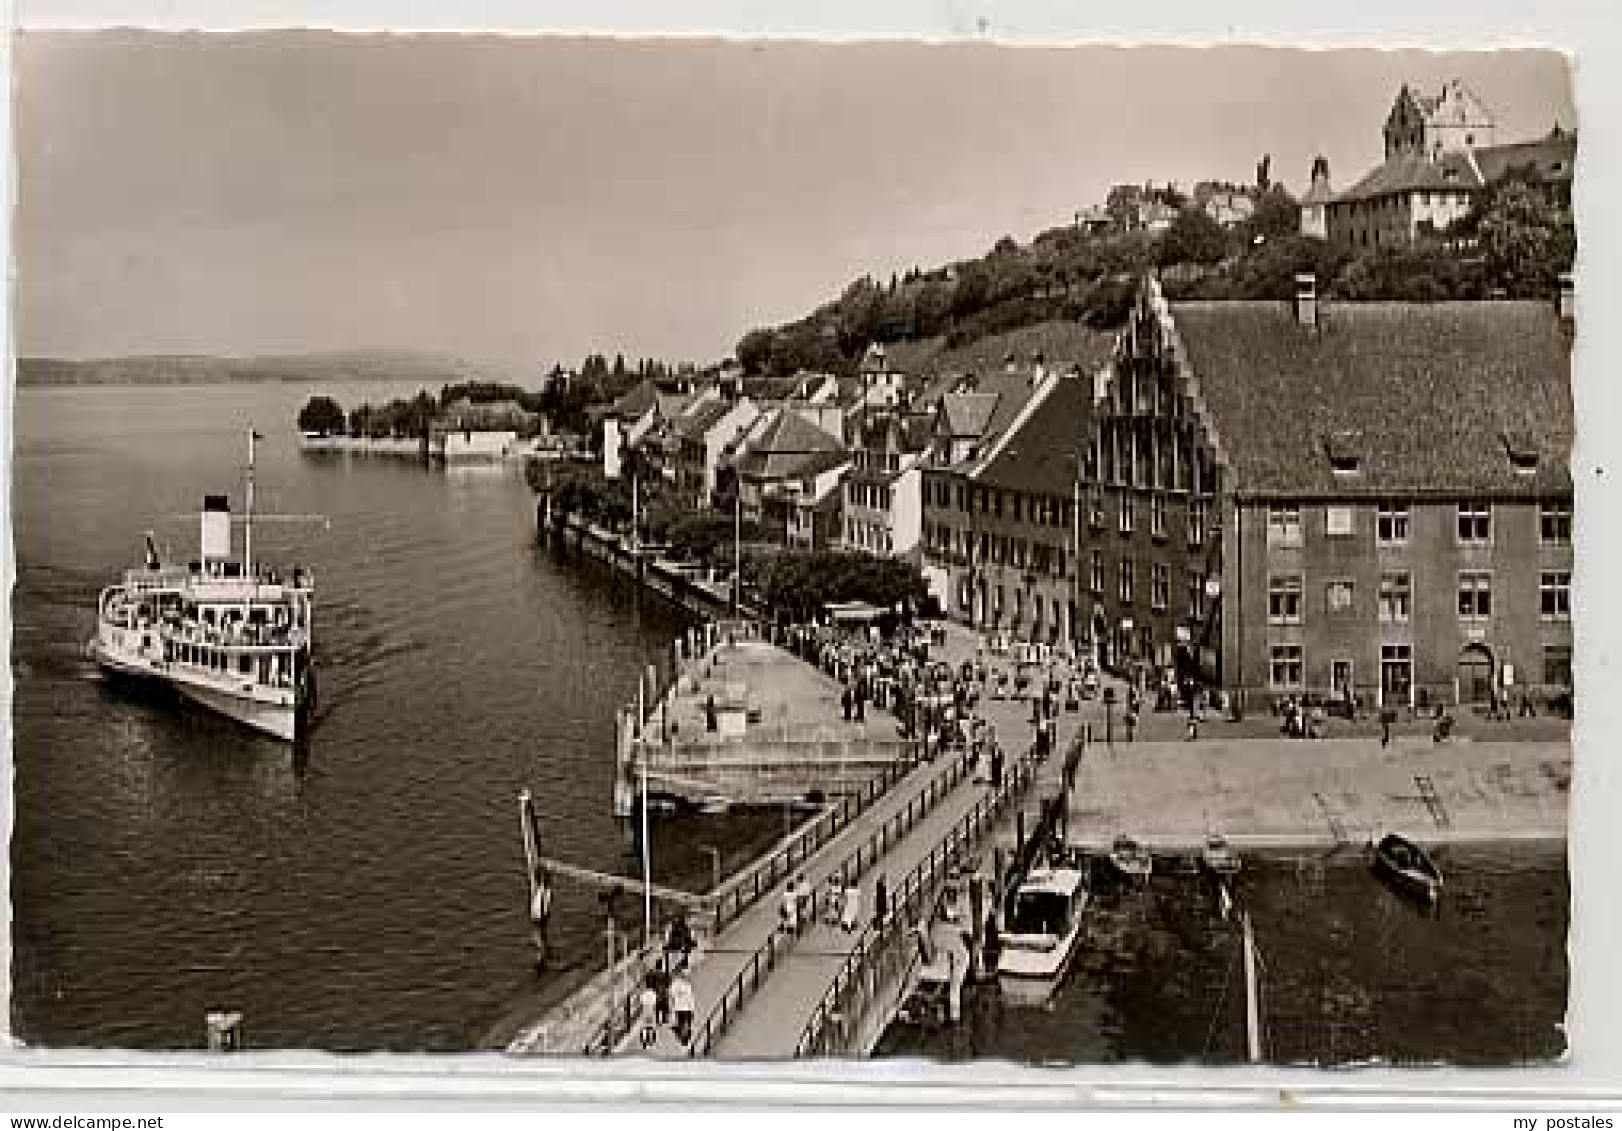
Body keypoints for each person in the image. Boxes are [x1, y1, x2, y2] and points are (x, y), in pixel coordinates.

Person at [670, 969, 696, 1047]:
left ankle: (684, 1038)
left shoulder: (687, 985)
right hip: (680, 1008)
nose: (687, 977)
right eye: (685, 976)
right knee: (682, 1024)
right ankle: (683, 1038)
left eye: (687, 976)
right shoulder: (677, 984)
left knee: (685, 1024)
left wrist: (692, 1008)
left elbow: (690, 998)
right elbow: (672, 995)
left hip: (686, 1008)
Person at [638, 981, 659, 1049]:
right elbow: (655, 1004)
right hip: (651, 1011)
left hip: (645, 1011)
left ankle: (644, 1042)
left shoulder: (643, 994)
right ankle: (651, 1041)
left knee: (644, 1027)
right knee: (652, 1027)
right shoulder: (653, 994)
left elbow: (641, 1003)